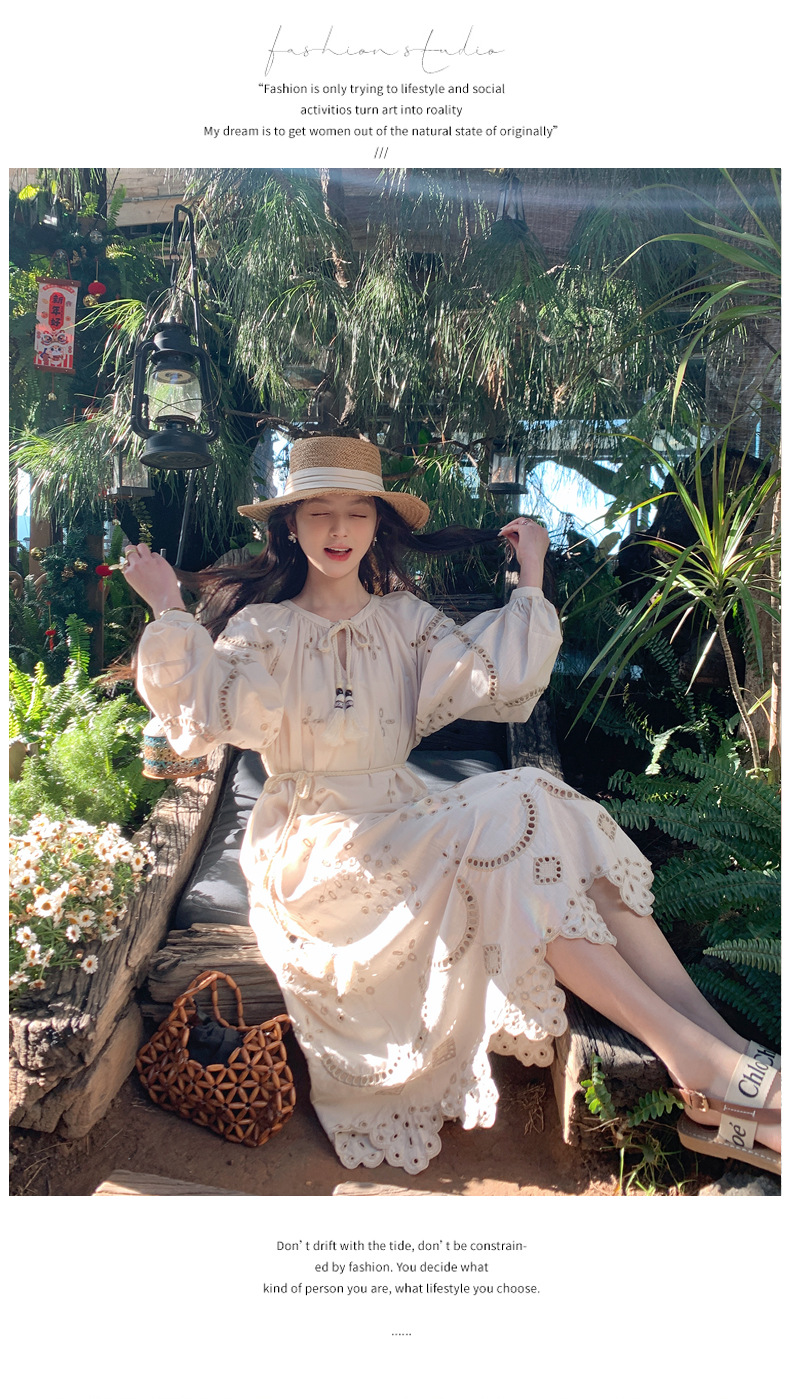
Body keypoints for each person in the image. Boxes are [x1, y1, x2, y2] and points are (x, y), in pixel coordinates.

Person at [126, 436, 780, 1177]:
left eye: (356, 512)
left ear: (377, 524)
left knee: (540, 806)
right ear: (290, 526)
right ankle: (709, 1068)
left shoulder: (406, 621)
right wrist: (169, 607)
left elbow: (498, 675)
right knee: (515, 821)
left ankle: (720, 1051)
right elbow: (208, 713)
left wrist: (530, 575)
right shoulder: (263, 630)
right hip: (317, 844)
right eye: (319, 513)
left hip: (400, 813)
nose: (339, 529)